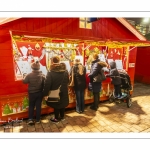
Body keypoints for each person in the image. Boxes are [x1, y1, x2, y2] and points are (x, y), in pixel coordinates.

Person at [43, 56, 69, 123]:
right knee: (62, 104)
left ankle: (56, 118)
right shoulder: (65, 71)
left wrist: (45, 94)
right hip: (64, 91)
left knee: (56, 104)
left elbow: (47, 84)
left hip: (54, 91)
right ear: (59, 61)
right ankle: (62, 117)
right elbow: (67, 81)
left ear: (52, 61)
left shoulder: (50, 72)